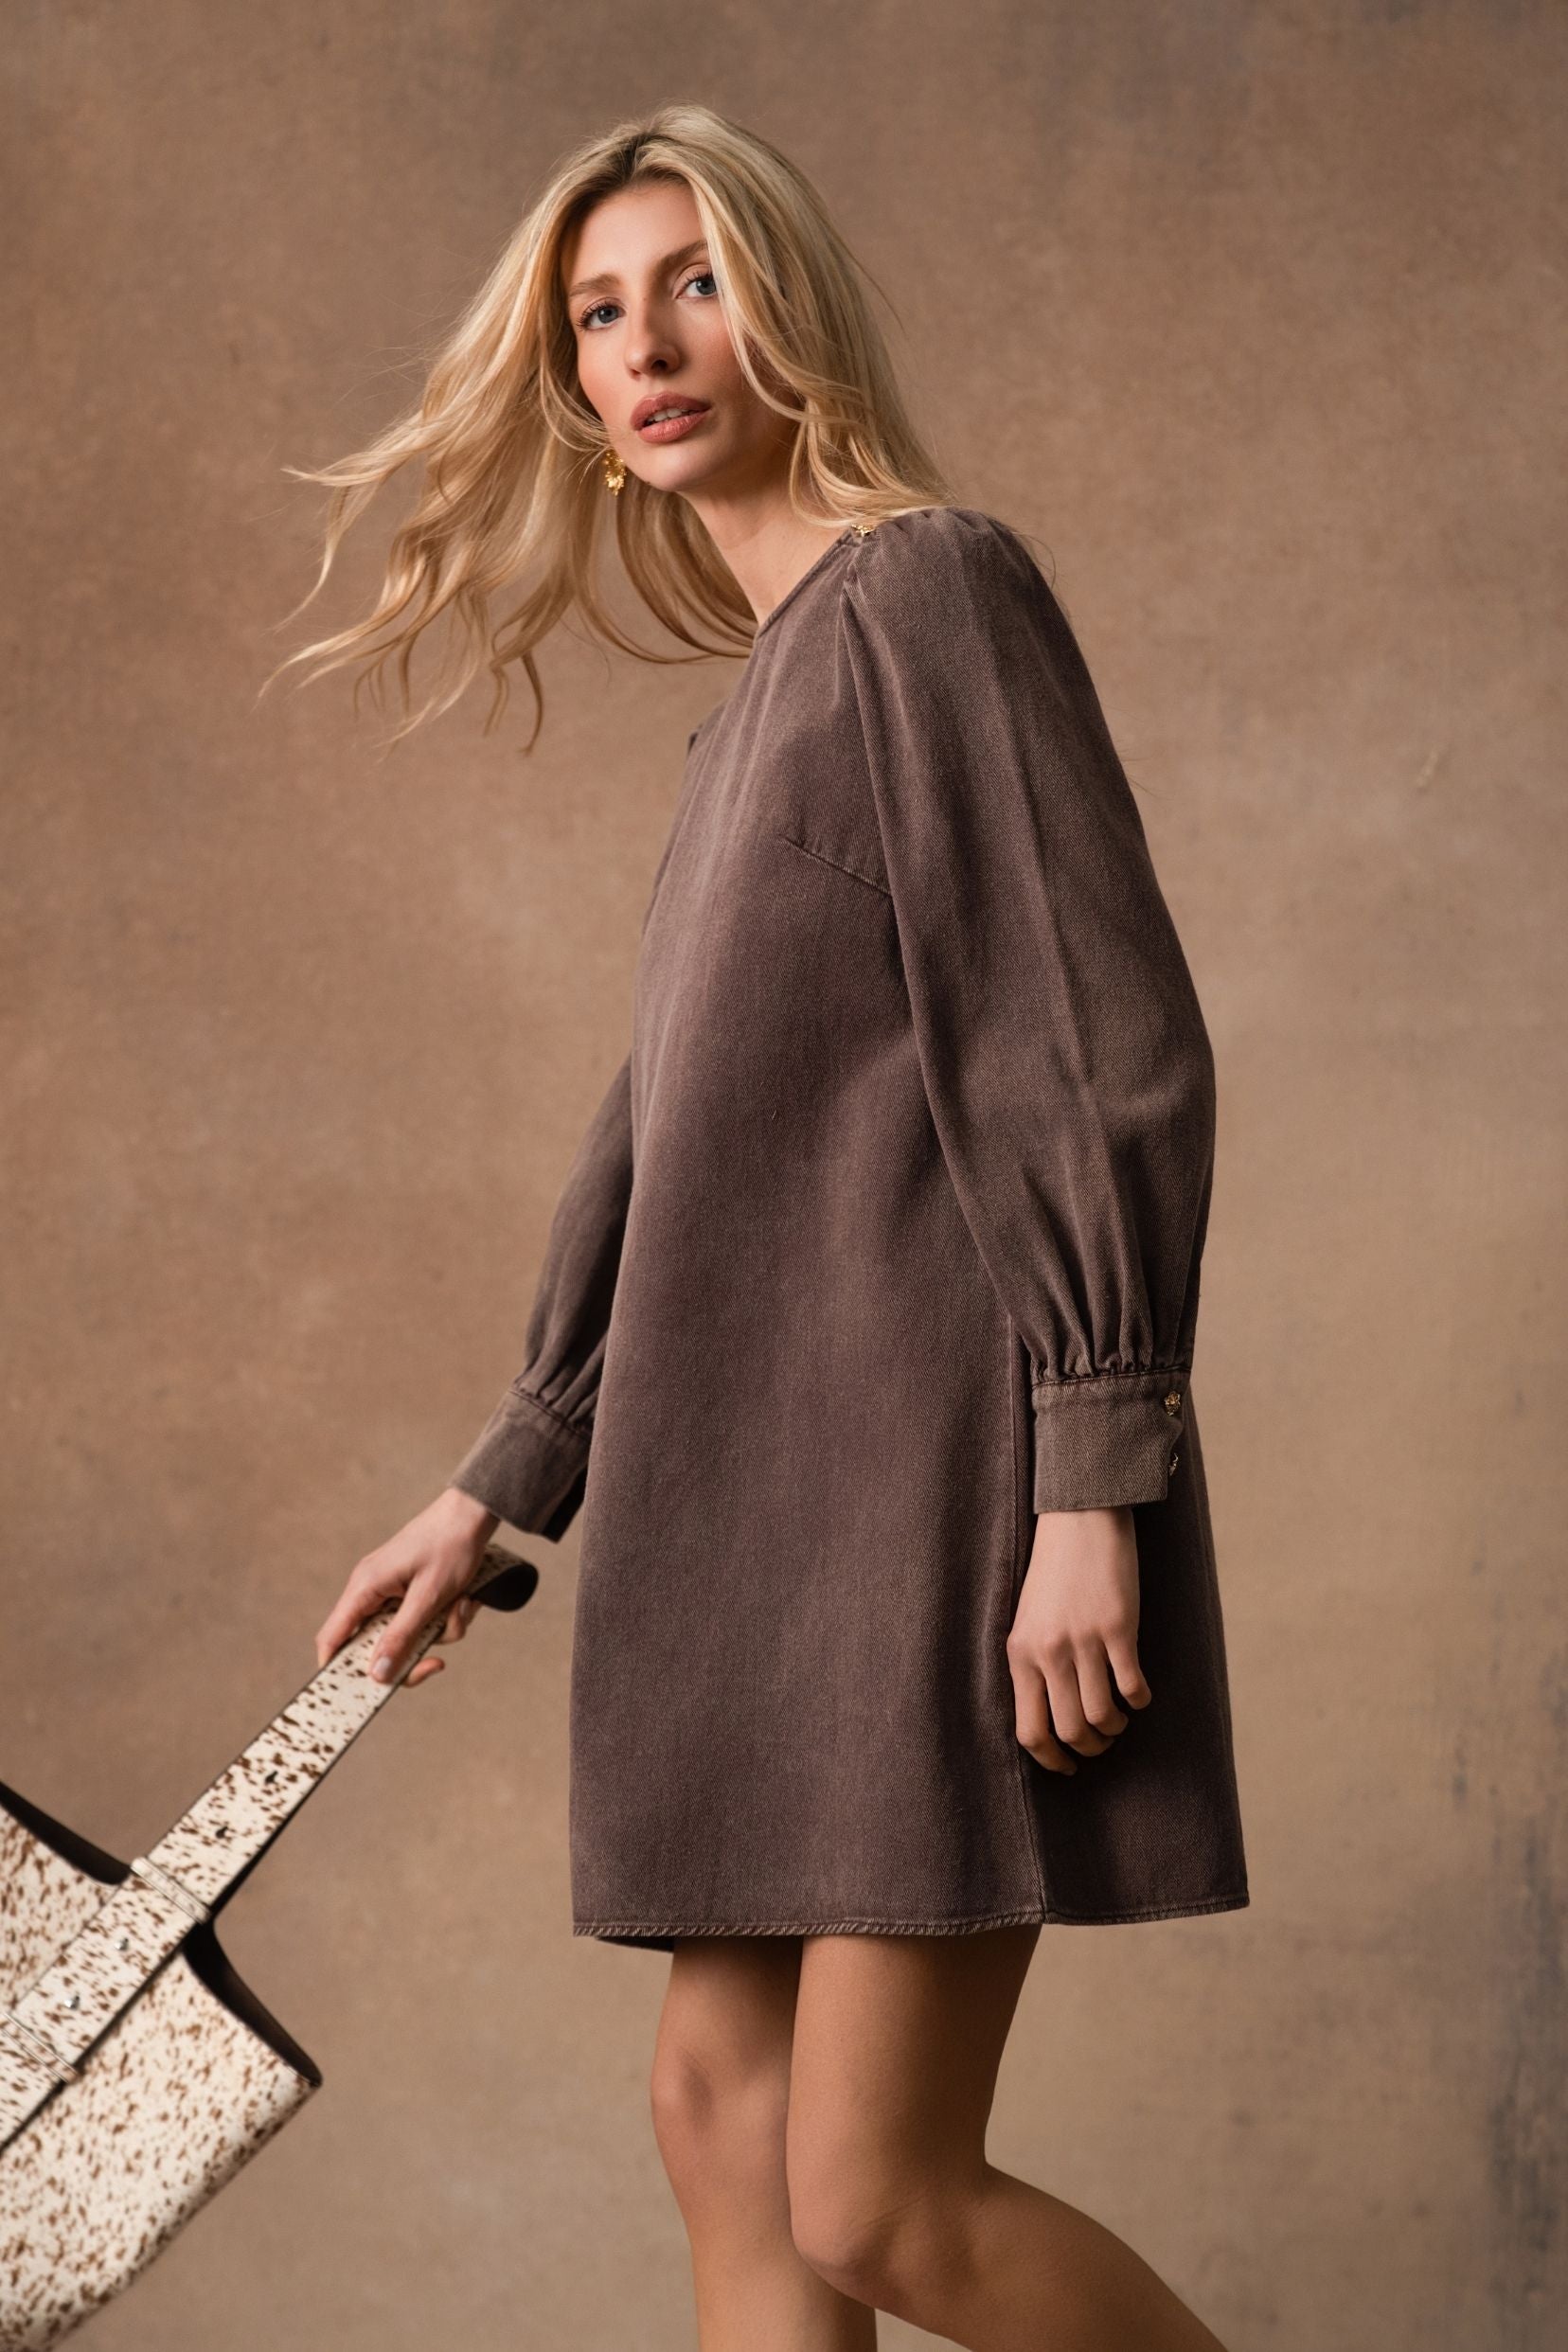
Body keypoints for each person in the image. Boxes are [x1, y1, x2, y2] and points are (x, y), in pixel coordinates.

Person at [288, 100, 1247, 2352]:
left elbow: (1090, 1034)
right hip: (744, 1512)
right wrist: (499, 1477)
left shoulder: (928, 595)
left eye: (695, 283)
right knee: (718, 2117)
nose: (646, 346)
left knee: (873, 2196)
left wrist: (1092, 1479)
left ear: (785, 303)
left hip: (930, 1496)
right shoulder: (755, 720)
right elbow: (671, 1138)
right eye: (599, 314)